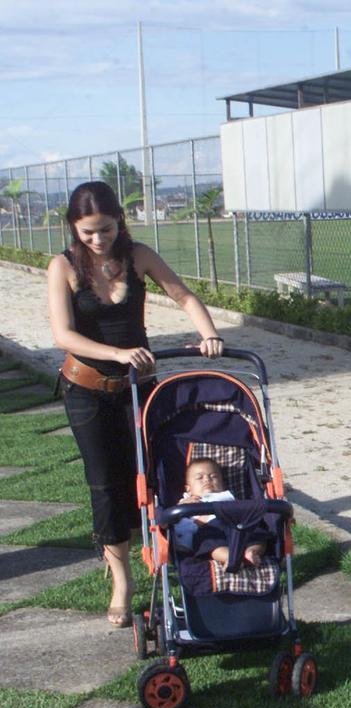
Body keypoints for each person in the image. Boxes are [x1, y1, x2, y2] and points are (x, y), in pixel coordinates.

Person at [47, 181, 225, 627]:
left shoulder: (139, 255)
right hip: (87, 389)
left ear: (119, 222)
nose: (98, 239)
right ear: (74, 228)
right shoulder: (63, 266)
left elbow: (183, 295)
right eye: (88, 232)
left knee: (150, 474)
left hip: (139, 388)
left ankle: (171, 556)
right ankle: (121, 580)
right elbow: (63, 335)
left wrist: (209, 334)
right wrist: (118, 353)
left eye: (105, 229)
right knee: (105, 484)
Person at [176, 457, 266, 567]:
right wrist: (183, 507)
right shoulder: (186, 504)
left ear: (222, 484)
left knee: (257, 533)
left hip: (236, 526)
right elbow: (179, 528)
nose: (207, 479)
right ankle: (230, 558)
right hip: (211, 531)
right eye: (199, 477)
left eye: (213, 476)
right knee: (208, 543)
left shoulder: (227, 496)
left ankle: (251, 552)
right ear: (188, 489)